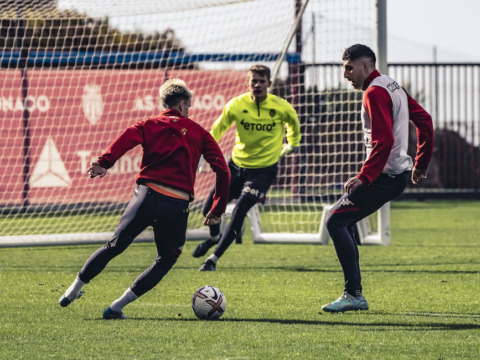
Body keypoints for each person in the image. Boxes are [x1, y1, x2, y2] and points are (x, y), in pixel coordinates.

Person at [58, 79, 230, 319]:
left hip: (146, 198)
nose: (189, 111)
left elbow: (126, 138)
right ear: (182, 105)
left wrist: (104, 163)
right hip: (176, 205)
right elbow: (223, 171)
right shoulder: (200, 133)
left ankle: (72, 290)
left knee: (114, 246)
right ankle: (116, 307)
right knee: (167, 258)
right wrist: (217, 209)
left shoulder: (148, 124)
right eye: (188, 106)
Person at [321, 44, 434, 313]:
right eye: (344, 68)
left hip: (384, 177)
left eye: (349, 67)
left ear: (365, 66)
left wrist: (365, 176)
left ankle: (353, 294)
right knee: (344, 221)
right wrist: (420, 162)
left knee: (336, 221)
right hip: (397, 174)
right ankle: (354, 291)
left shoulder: (373, 92)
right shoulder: (392, 84)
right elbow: (426, 120)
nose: (346, 74)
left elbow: (384, 140)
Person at [193, 64, 301, 271]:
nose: (258, 85)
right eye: (254, 81)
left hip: (263, 172)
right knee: (209, 209)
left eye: (262, 81)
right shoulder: (236, 105)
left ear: (269, 83)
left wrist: (285, 150)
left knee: (240, 210)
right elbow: (217, 130)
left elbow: (294, 135)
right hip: (236, 167)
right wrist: (201, 153)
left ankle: (212, 260)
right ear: (248, 83)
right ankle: (214, 237)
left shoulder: (283, 108)